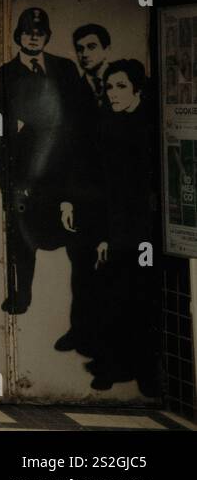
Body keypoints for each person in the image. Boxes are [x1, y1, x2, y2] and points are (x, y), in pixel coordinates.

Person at [0, 7, 95, 328]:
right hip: (26, 174)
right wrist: (7, 185)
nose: (33, 36)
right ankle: (23, 296)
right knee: (23, 238)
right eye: (27, 31)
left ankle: (85, 312)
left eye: (40, 31)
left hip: (67, 170)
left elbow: (81, 121)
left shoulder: (65, 69)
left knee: (80, 238)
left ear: (47, 36)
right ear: (17, 36)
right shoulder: (0, 78)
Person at [85, 59, 159, 395]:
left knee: (143, 300)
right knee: (113, 299)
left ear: (137, 89)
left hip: (147, 233)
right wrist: (103, 235)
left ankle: (146, 372)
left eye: (121, 87)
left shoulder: (150, 125)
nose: (112, 93)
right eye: (109, 87)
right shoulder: (107, 125)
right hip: (117, 231)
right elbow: (102, 187)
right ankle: (111, 367)